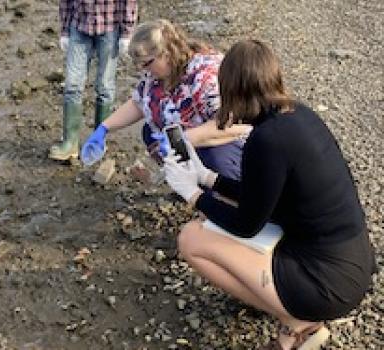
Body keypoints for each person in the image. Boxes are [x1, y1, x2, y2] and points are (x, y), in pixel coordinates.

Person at [162, 40, 376, 349]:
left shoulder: (266, 141)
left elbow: (246, 224)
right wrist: (209, 178)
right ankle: (293, 310)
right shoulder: (297, 115)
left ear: (232, 89)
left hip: (326, 283)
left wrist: (193, 195)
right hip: (351, 263)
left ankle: (299, 323)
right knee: (221, 227)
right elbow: (263, 198)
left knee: (191, 239)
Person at [80, 19, 252, 180]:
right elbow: (138, 103)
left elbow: (228, 125)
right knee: (150, 131)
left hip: (227, 142)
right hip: (190, 139)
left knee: (216, 158)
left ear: (167, 53)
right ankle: (189, 183)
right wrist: (104, 127)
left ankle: (226, 197)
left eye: (146, 63)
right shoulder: (156, 76)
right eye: (138, 64)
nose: (142, 69)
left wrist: (182, 139)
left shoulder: (205, 76)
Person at [49, 0, 138, 161]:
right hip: (79, 25)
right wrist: (64, 31)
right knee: (72, 85)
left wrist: (127, 32)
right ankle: (70, 143)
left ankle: (98, 141)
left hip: (110, 26)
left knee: (105, 87)